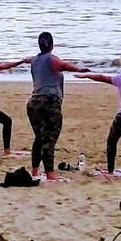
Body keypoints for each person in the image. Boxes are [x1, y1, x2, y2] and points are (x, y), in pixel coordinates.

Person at [27, 32, 88, 182]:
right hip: (49, 103)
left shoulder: (34, 60)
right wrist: (79, 69)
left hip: (34, 103)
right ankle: (50, 174)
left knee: (39, 139)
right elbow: (63, 65)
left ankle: (35, 171)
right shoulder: (51, 59)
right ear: (52, 45)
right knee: (49, 139)